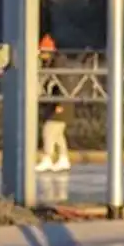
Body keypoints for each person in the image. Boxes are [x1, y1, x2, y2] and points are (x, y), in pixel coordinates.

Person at [35, 35, 71, 172]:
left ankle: (47, 158)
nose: (40, 56)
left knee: (49, 130)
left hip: (61, 105)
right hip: (56, 104)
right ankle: (63, 158)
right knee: (58, 134)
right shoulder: (51, 63)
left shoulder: (58, 64)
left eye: (42, 52)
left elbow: (64, 84)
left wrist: (60, 103)